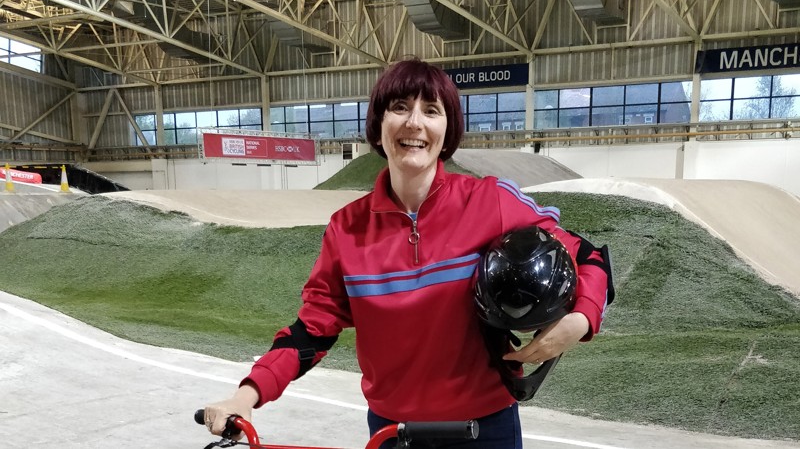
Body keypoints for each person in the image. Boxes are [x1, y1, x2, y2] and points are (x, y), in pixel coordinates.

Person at [203, 57, 613, 448]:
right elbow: (310, 332)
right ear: (379, 124)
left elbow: (588, 256)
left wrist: (581, 318)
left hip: (485, 431)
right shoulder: (346, 229)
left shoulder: (491, 201)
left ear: (447, 130)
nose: (414, 122)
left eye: (431, 110)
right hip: (391, 433)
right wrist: (246, 396)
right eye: (400, 107)